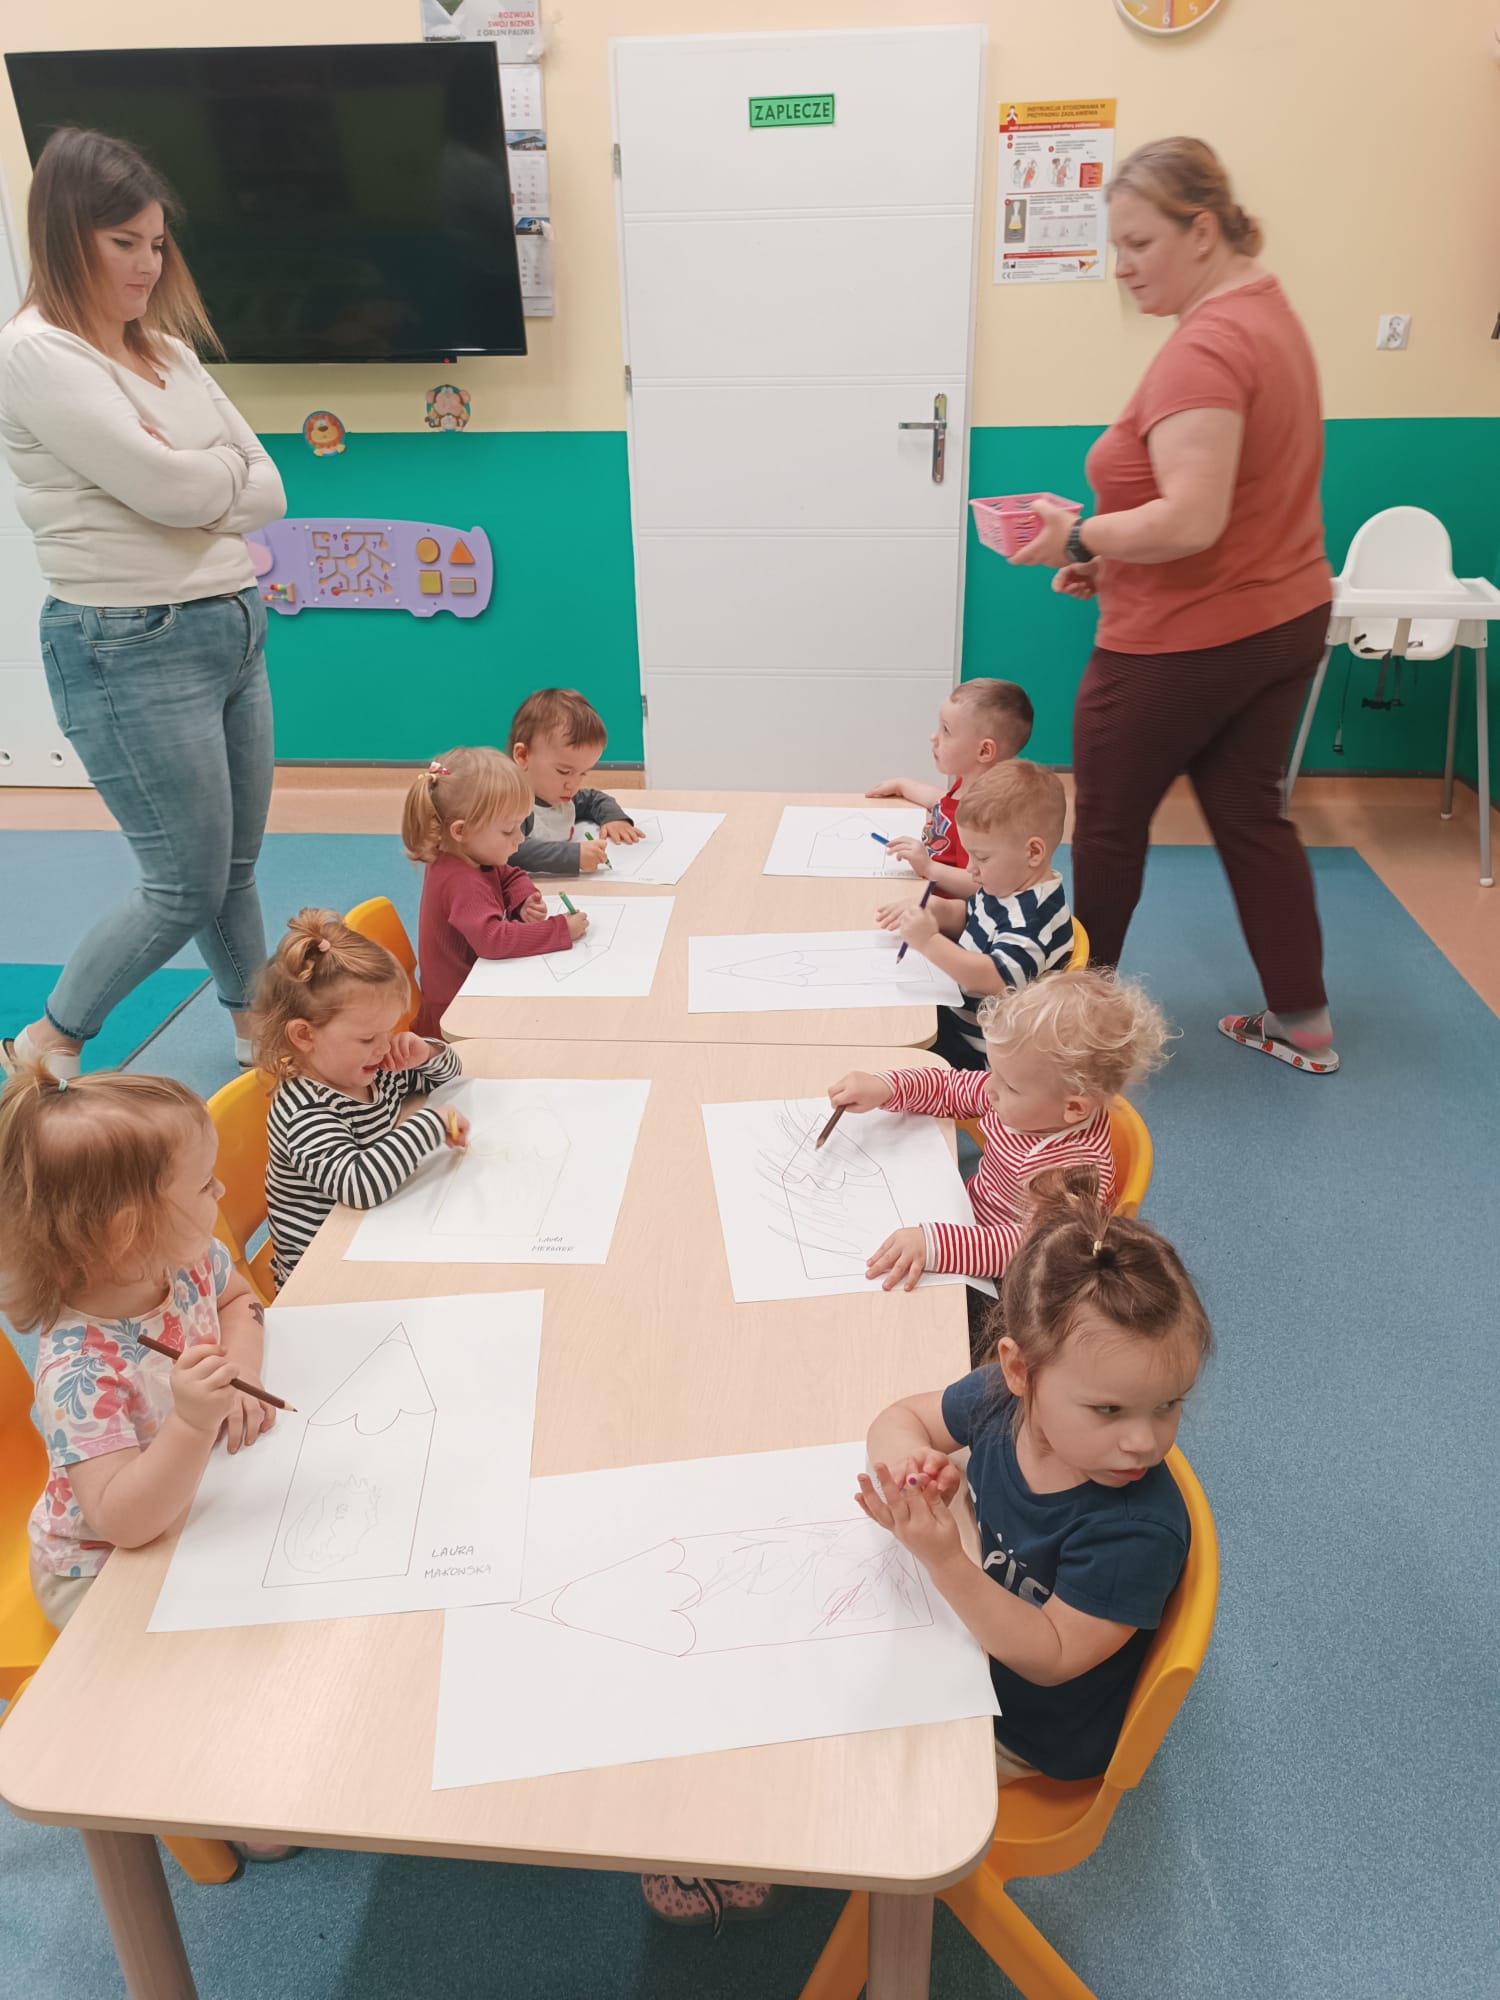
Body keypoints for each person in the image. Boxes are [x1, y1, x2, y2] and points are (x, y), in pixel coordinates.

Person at [1009, 137, 1337, 1076]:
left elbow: (1191, 519)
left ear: (1202, 230)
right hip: (1280, 617)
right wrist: (1113, 563)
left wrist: (1080, 538)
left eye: (1140, 243)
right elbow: (1238, 506)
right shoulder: (1268, 314)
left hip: (1183, 644)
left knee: (1108, 828)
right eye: (1116, 246)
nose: (1123, 267)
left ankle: (1069, 1041)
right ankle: (1303, 1023)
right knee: (1251, 818)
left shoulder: (1208, 345)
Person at [0, 128, 286, 1082]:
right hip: (128, 642)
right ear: (66, 236)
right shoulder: (38, 354)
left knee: (232, 869)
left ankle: (255, 1029)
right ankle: (50, 1040)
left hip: (231, 624)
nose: (148, 263)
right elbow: (172, 490)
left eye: (157, 243)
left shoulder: (163, 348)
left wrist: (193, 478)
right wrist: (202, 477)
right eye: (123, 241)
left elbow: (270, 486)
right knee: (182, 882)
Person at [856, 1171, 1212, 1786]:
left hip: (1023, 1725)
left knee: (869, 1773)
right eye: (1109, 1409)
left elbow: (1051, 1655)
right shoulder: (999, 1401)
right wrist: (914, 1465)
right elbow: (900, 1419)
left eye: (1167, 1405)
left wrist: (946, 1562)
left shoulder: (1136, 1533)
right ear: (1020, 1371)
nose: (1145, 1441)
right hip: (963, 1640)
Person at [0, 1067, 273, 1634]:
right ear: (131, 1231)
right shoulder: (76, 1373)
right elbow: (122, 1522)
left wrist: (241, 1369)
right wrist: (193, 1424)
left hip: (189, 1498)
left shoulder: (185, 1260)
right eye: (204, 1184)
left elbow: (237, 1300)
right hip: (98, 1567)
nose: (220, 1191)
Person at [827, 969, 1169, 1359]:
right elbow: (952, 1088)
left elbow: (1029, 1249)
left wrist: (935, 1245)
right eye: (994, 1072)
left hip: (1009, 1284)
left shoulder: (1071, 1171)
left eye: (1008, 1085)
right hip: (969, 1220)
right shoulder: (1027, 1102)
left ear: (1074, 1108)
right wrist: (888, 1086)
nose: (990, 1089)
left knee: (916, 1337)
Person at [253, 911, 467, 1287]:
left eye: (389, 1030)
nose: (384, 1046)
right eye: (368, 1038)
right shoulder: (304, 1111)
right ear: (305, 1035)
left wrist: (427, 1054)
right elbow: (359, 1185)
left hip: (379, 1232)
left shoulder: (368, 1067)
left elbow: (447, 1077)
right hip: (324, 1278)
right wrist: (432, 1125)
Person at [876, 762, 1073, 1069]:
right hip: (959, 1011)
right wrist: (938, 910)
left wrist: (929, 942)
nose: (969, 868)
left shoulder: (1032, 920)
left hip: (984, 1051)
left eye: (981, 857)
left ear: (1033, 852)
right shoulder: (1008, 883)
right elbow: (972, 917)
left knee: (890, 1044)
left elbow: (991, 978)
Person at [404, 747, 584, 1038]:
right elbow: (493, 940)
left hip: (478, 988)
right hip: (457, 1017)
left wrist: (522, 899)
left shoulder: (468, 854)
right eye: (509, 830)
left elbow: (507, 874)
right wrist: (559, 930)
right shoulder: (461, 881)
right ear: (461, 831)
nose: (520, 838)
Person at [868, 679, 1035, 899]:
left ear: (984, 751)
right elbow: (942, 802)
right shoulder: (967, 783)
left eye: (946, 730)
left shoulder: (983, 818)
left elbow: (981, 886)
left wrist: (929, 868)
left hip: (947, 908)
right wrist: (903, 785)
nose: (934, 737)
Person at [507, 688, 642, 877]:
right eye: (564, 772)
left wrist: (613, 818)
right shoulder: (512, 805)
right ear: (523, 756)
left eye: (583, 773)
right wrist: (574, 856)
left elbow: (593, 799)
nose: (573, 785)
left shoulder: (558, 795)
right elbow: (513, 849)